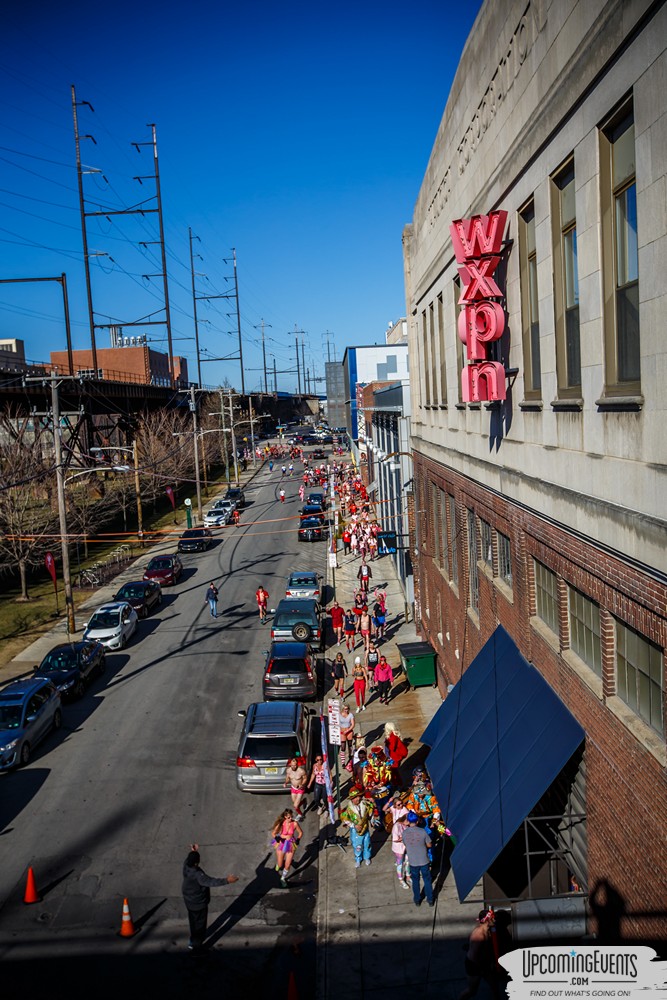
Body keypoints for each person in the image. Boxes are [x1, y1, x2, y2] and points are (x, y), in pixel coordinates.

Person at [181, 844, 238, 952]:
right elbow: (211, 881)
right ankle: (195, 949)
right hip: (199, 904)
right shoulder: (198, 875)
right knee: (200, 927)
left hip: (189, 901)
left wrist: (193, 852)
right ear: (196, 863)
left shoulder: (186, 866)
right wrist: (227, 880)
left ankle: (192, 940)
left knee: (193, 923)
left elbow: (189, 859)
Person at [458, 908, 500, 1000]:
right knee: (472, 991)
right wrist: (481, 970)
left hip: (484, 963)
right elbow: (474, 956)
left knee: (494, 986)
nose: (495, 920)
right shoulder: (480, 935)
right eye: (492, 918)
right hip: (474, 966)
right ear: (487, 921)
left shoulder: (486, 929)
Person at [400, 812, 434, 907]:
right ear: (417, 820)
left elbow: (405, 844)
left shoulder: (405, 833)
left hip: (413, 861)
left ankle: (417, 900)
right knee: (427, 880)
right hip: (424, 860)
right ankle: (430, 899)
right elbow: (429, 845)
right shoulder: (422, 831)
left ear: (408, 821)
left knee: (415, 881)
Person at [340, 786, 374, 868]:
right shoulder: (348, 809)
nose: (357, 799)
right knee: (357, 846)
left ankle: (367, 857)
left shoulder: (365, 804)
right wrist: (353, 826)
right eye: (354, 798)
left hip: (365, 829)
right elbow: (344, 819)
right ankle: (358, 858)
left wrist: (372, 820)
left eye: (358, 796)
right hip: (356, 831)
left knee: (367, 843)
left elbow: (371, 812)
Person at [383, 792, 411, 888]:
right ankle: (401, 880)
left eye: (401, 803)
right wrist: (389, 802)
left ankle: (408, 876)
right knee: (400, 863)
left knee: (407, 861)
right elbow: (395, 839)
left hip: (405, 844)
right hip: (399, 847)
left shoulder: (405, 811)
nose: (401, 805)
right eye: (398, 804)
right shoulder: (396, 826)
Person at [270, 809, 303, 886]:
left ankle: (283, 878)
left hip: (291, 844)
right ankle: (279, 864)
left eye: (291, 817)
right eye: (288, 817)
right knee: (280, 864)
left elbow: (300, 832)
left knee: (287, 865)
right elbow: (274, 833)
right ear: (285, 817)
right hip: (281, 843)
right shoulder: (281, 824)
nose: (290, 819)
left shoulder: (294, 823)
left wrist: (298, 839)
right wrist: (277, 838)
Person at [384, 722, 408, 786]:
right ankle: (397, 784)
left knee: (394, 772)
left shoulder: (392, 737)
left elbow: (392, 748)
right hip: (395, 757)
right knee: (394, 772)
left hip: (395, 757)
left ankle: (398, 785)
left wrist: (387, 742)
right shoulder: (393, 735)